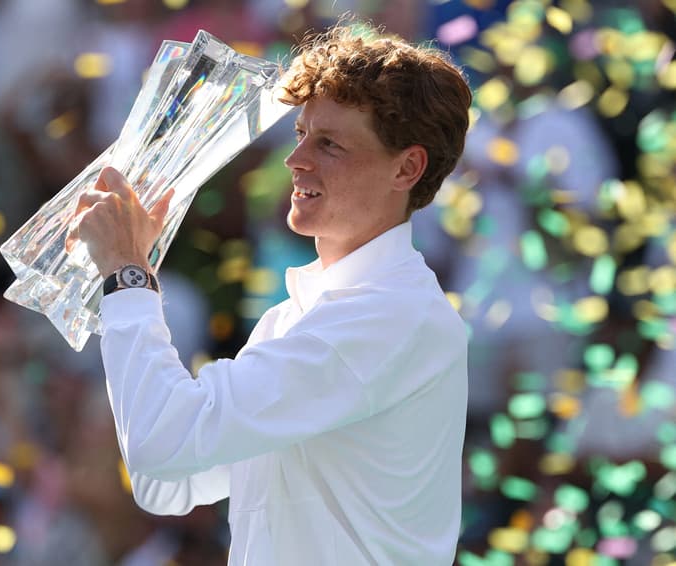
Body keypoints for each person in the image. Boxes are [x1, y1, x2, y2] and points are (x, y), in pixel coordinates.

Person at [71, 21, 472, 565]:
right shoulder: (294, 318)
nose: (295, 159)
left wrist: (127, 276)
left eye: (329, 144)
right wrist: (131, 270)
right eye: (301, 134)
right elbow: (166, 482)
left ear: (407, 167)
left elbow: (162, 444)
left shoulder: (392, 316)